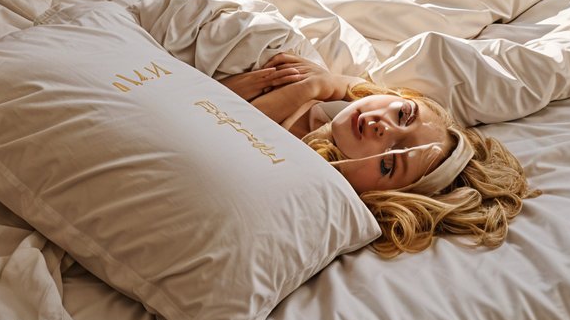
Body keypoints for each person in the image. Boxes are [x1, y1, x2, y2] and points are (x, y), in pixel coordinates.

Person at [219, 53, 533, 258]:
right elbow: (361, 89)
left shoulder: (295, 161)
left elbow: (216, 121)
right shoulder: (357, 103)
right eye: (403, 114)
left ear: (373, 196)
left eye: (388, 161)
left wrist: (307, 88)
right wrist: (330, 83)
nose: (381, 128)